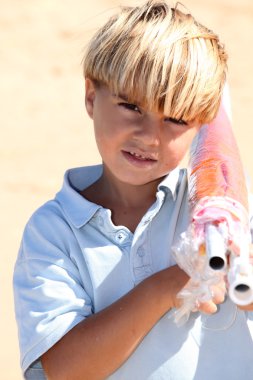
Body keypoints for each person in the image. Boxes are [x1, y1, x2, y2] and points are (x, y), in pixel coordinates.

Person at [13, 1, 253, 379]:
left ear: (201, 125)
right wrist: (167, 285)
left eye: (175, 119)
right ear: (92, 97)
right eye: (131, 107)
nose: (149, 136)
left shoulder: (233, 211)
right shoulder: (53, 231)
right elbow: (65, 370)